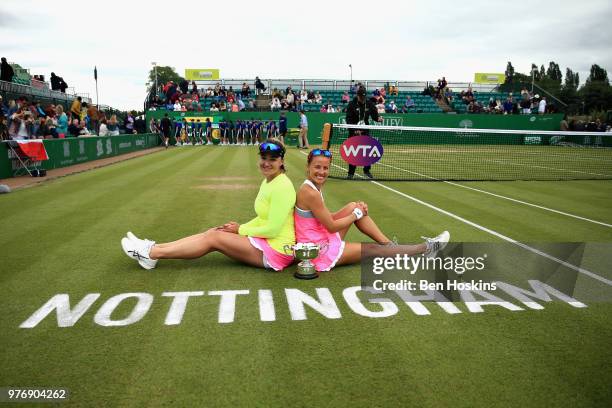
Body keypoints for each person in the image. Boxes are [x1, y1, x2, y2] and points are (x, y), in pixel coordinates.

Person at [121, 140, 297, 271]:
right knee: (214, 232)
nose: (266, 163)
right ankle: (154, 248)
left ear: (281, 161)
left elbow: (273, 229)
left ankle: (151, 254)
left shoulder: (282, 186)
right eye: (263, 158)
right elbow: (263, 218)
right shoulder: (269, 181)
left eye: (272, 159)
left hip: (277, 252)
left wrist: (241, 230)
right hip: (267, 242)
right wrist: (239, 228)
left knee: (214, 238)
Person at [294, 148, 449, 272]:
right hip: (318, 251)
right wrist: (356, 215)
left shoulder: (312, 187)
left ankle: (391, 247)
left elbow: (327, 217)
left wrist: (356, 210)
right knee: (373, 250)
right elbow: (332, 226)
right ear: (308, 167)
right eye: (317, 167)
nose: (321, 172)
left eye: (325, 168)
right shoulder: (310, 192)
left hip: (320, 238)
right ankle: (426, 248)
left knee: (354, 205)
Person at [345, 85, 381, 179]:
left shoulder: (369, 104)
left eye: (364, 97)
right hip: (354, 132)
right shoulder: (351, 104)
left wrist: (378, 119)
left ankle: (367, 170)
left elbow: (374, 116)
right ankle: (351, 173)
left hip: (365, 131)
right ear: (357, 95)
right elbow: (348, 119)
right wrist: (354, 130)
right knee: (353, 153)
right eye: (361, 97)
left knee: (368, 152)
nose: (362, 99)